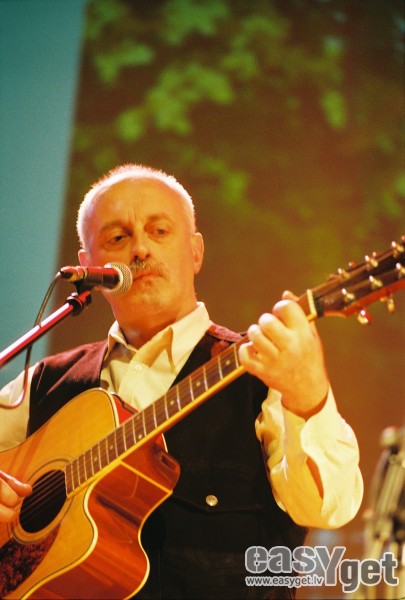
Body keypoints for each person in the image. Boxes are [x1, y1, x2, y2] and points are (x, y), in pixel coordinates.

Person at [0, 164, 363, 599]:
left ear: (195, 252)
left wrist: (308, 396)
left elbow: (329, 507)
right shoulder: (43, 383)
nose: (140, 249)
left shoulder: (259, 371)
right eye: (117, 238)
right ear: (88, 266)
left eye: (159, 231)